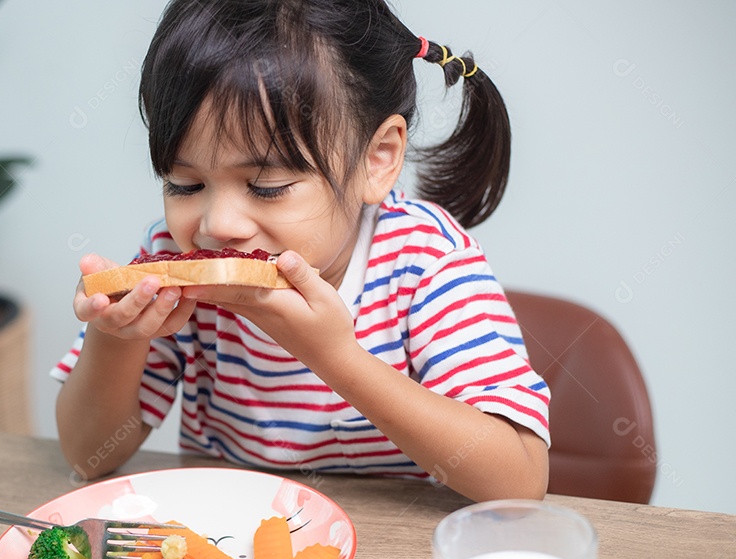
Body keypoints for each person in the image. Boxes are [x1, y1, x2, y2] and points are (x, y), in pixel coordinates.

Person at [52, 0, 550, 502]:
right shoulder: (169, 255)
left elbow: (521, 480)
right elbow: (85, 453)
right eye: (185, 183)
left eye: (266, 185)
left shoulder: (426, 261)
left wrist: (335, 357)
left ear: (377, 160)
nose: (217, 225)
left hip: (398, 556)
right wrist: (116, 337)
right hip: (235, 547)